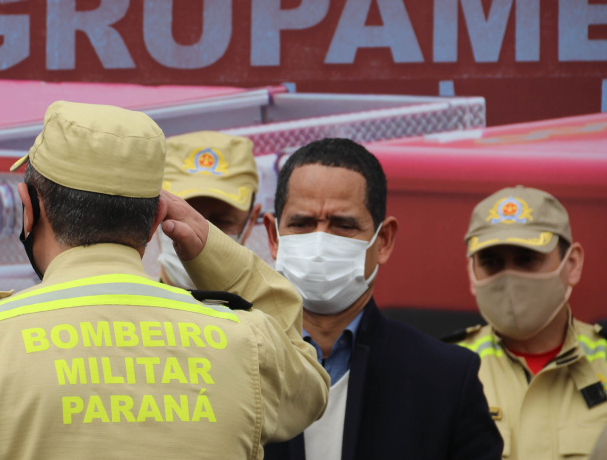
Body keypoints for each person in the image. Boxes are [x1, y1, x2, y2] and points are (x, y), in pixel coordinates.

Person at [0, 101, 330, 459]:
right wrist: (217, 255)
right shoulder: (245, 342)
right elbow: (307, 379)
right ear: (159, 216)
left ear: (29, 208)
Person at [262, 137, 503, 460]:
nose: (320, 243)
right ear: (274, 237)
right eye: (302, 224)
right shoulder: (238, 362)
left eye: (343, 225)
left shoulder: (444, 378)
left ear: (384, 240)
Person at [451, 186, 607, 458]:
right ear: (471, 272)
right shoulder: (445, 369)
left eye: (527, 259)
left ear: (572, 264)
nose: (509, 277)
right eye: (491, 262)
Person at [157, 130, 261, 288]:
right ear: (155, 216)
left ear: (251, 222)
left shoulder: (276, 310)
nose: (197, 236)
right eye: (179, 217)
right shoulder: (126, 311)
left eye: (220, 223)